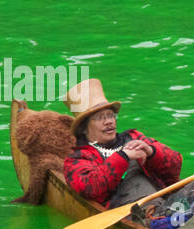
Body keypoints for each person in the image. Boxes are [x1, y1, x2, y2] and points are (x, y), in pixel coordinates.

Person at [61, 79, 183, 207]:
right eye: (100, 118)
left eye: (110, 115)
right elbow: (90, 189)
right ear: (84, 128)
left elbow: (176, 166)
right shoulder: (76, 159)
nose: (109, 121)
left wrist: (151, 151)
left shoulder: (134, 137)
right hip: (137, 212)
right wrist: (123, 157)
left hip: (168, 200)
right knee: (135, 179)